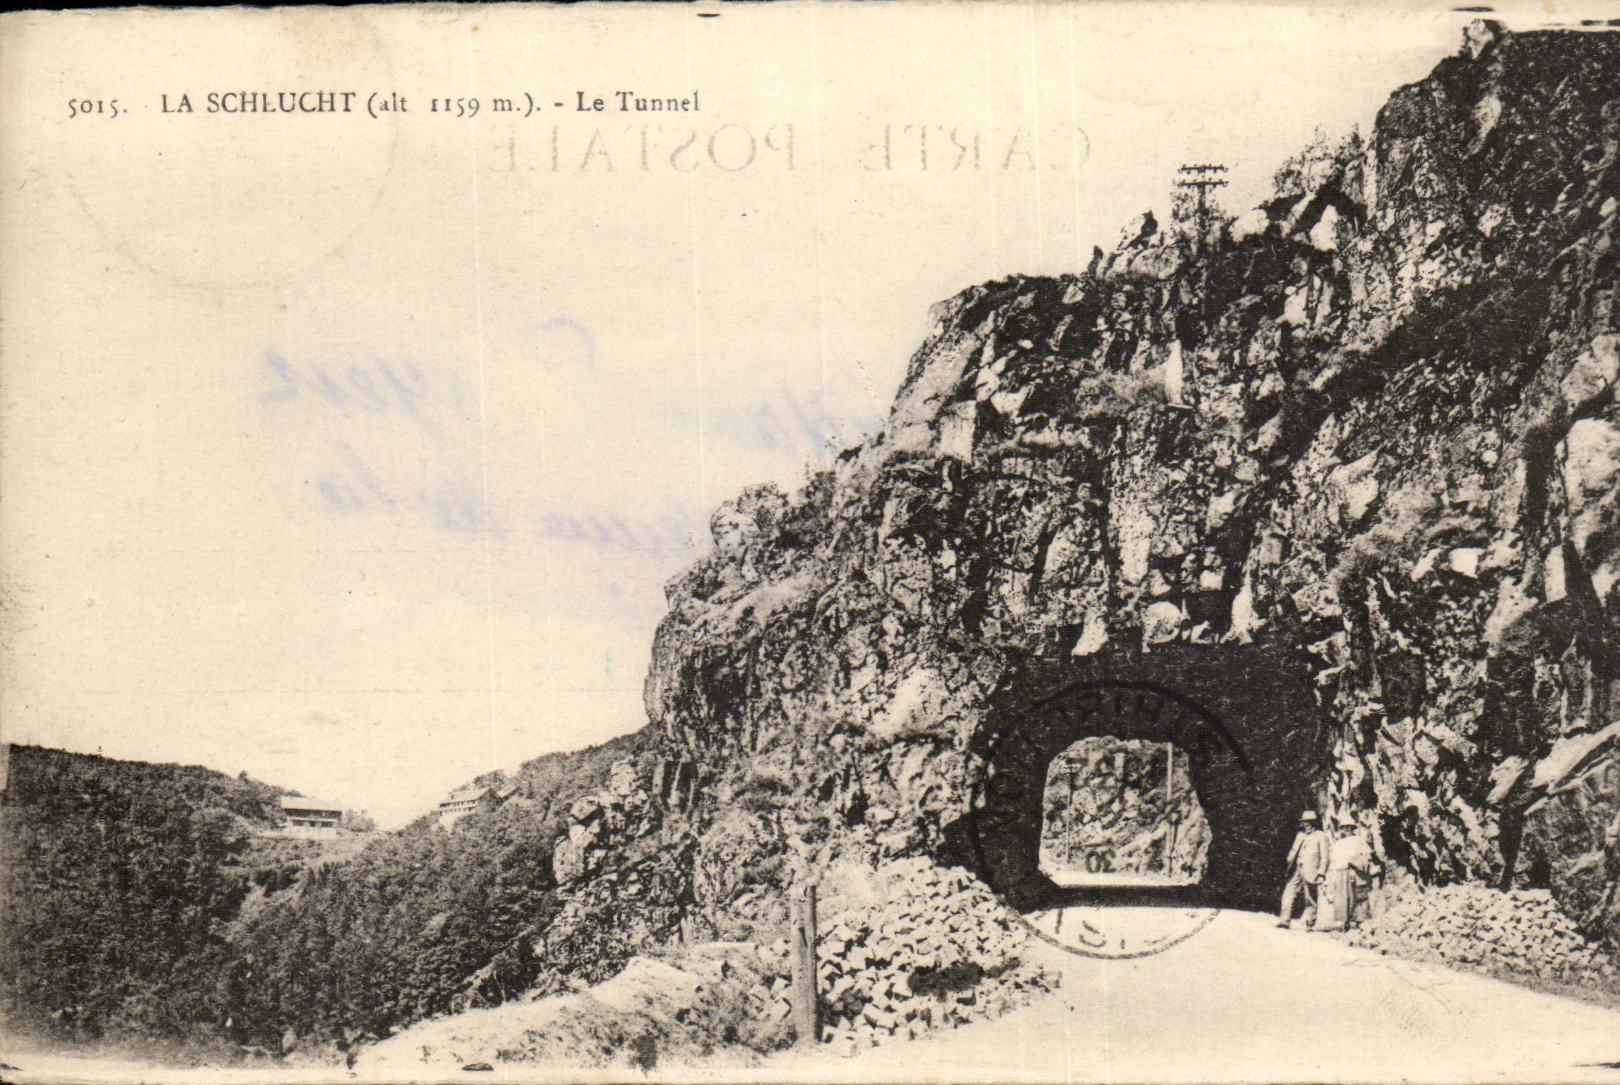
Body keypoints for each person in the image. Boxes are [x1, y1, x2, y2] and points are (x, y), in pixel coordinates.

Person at [1317, 813, 1376, 931]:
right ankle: (1342, 922)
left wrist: (1356, 866)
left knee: (1355, 894)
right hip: (1339, 871)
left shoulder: (1358, 840)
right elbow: (1333, 859)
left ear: (1353, 828)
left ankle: (1358, 921)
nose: (1346, 829)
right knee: (1340, 896)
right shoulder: (1338, 843)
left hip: (1352, 871)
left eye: (1349, 827)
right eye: (1344, 827)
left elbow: (1366, 855)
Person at [1278, 810, 1330, 928]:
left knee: (1310, 897)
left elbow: (1325, 856)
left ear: (1313, 823)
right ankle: (1284, 919)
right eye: (1303, 822)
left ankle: (1309, 921)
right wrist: (1289, 860)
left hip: (1311, 870)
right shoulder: (1300, 835)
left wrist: (1321, 873)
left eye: (1307, 822)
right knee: (1288, 892)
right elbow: (1293, 850)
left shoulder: (1320, 836)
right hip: (1296, 868)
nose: (1305, 825)